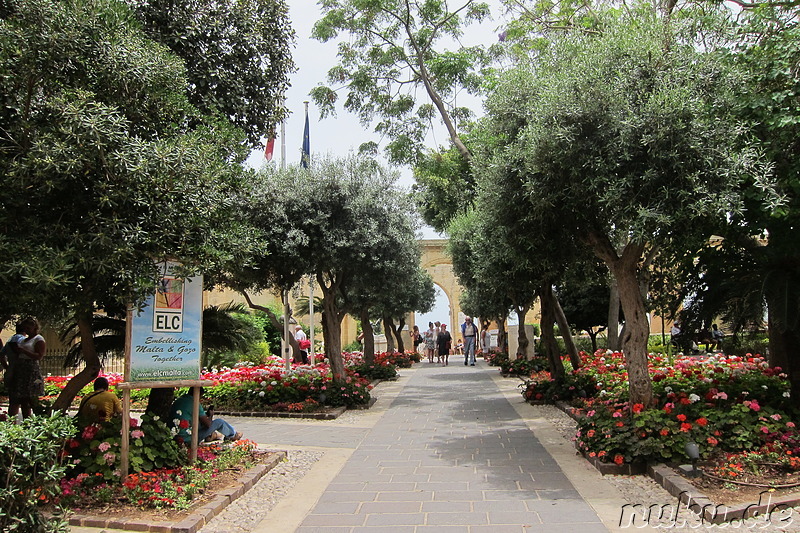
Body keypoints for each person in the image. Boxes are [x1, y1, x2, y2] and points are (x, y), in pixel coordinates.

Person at [169, 387, 242, 444]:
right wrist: (210, 415)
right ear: (199, 395)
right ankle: (232, 435)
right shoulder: (194, 402)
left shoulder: (180, 400)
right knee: (219, 422)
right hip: (188, 438)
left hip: (175, 434)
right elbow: (208, 424)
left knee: (198, 422)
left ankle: (212, 435)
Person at [7, 317, 45, 420]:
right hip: (20, 369)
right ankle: (26, 420)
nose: (27, 330)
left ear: (34, 327)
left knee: (31, 397)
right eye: (25, 328)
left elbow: (39, 356)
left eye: (28, 328)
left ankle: (37, 419)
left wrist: (23, 351)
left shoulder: (38, 339)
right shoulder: (24, 339)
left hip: (31, 369)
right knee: (22, 397)